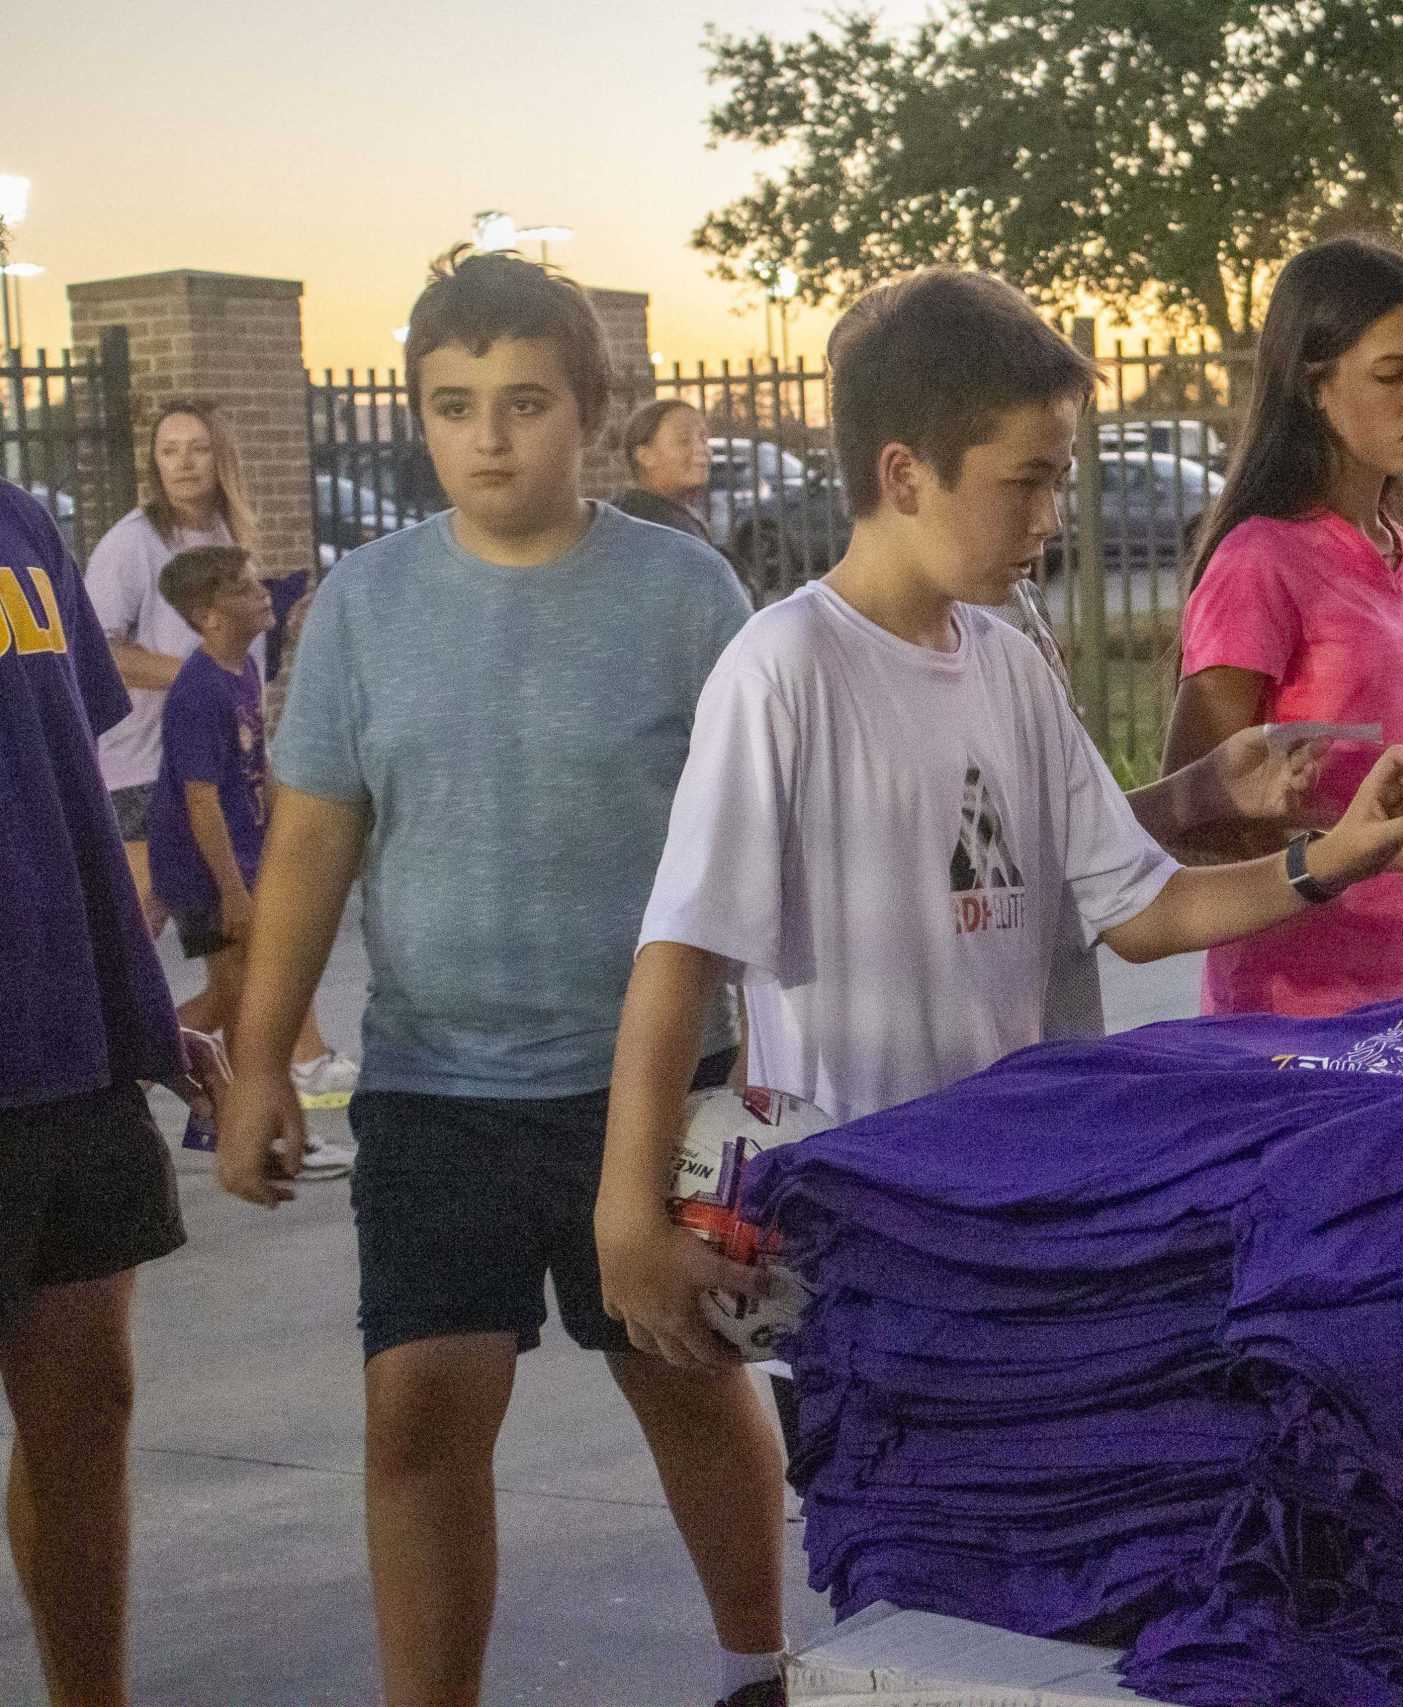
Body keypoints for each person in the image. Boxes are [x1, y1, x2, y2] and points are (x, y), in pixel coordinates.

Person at [593, 268, 1403, 1453]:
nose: (1051, 515)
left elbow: (1141, 907)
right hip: (862, 1228)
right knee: (887, 1546)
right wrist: (626, 1220)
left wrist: (1336, 859)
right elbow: (680, 952)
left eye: (1061, 480)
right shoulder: (782, 668)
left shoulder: (1008, 666)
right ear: (905, 475)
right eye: (1027, 481)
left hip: (1022, 1209)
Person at [215, 246, 779, 1707]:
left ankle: (756, 1666)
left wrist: (778, 1044)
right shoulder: (364, 604)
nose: (487, 435)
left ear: (586, 413)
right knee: (418, 1408)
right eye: (453, 403)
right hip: (434, 1085)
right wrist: (263, 1056)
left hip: (645, 1085)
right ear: (417, 413)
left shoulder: (682, 592)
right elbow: (315, 838)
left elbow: (754, 841)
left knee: (686, 1377)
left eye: (523, 402)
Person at [1163, 236, 1403, 1018]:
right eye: (1392, 374)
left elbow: (1386, 766)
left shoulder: (1395, 544)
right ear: (1313, 385)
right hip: (1292, 1010)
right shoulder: (1259, 561)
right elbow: (1193, 815)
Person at [0, 476, 192, 1707]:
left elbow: (66, 789)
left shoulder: (18, 520)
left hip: (59, 1053)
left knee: (85, 1411)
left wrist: (147, 1010)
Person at [86, 397, 360, 1111]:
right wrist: (201, 677)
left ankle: (298, 1060)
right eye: (169, 449)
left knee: (251, 928)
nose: (182, 462)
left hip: (215, 764)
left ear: (221, 457)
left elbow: (243, 660)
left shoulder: (229, 536)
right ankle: (107, 1069)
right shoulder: (131, 543)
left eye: (197, 448)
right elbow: (102, 651)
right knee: (137, 934)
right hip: (141, 765)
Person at [143, 544, 356, 1178]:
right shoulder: (197, 690)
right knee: (241, 1002)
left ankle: (130, 1061)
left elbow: (250, 772)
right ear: (208, 615)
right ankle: (256, 1137)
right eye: (241, 586)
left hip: (239, 860)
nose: (259, 591)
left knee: (229, 997)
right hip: (209, 871)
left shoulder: (243, 668)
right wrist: (234, 891)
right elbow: (201, 801)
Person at [612, 398, 715, 546]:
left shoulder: (677, 515)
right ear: (645, 456)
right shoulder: (637, 526)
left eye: (704, 439)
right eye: (684, 440)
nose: (703, 449)